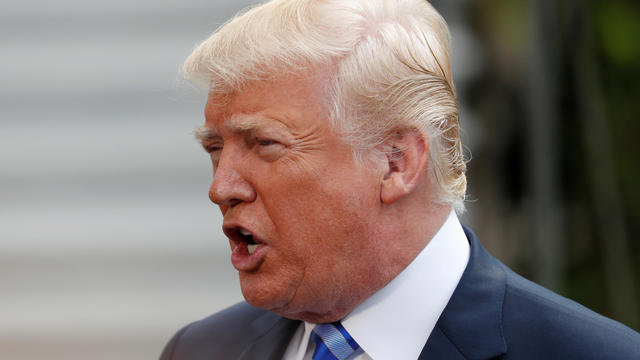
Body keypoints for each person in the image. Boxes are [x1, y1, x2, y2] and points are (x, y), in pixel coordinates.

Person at [160, 0, 640, 359]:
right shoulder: (201, 349)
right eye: (216, 149)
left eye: (265, 144)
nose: (221, 187)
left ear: (396, 162)